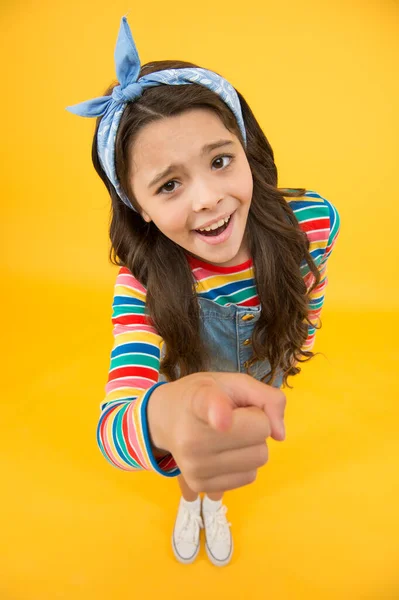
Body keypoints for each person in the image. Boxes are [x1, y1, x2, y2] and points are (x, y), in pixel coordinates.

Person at [66, 15, 341, 568]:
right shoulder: (141, 283)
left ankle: (215, 502)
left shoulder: (313, 221)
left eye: (220, 161)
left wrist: (295, 343)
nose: (207, 199)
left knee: (226, 467)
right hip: (183, 388)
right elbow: (114, 424)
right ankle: (191, 500)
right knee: (199, 460)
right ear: (139, 207)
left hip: (264, 367)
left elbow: (312, 292)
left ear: (246, 149)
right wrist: (166, 418)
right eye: (169, 185)